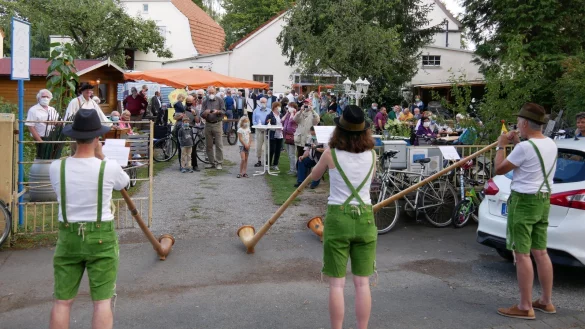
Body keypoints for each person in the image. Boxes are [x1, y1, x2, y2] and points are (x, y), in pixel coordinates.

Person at [48, 108, 130, 329]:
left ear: (73, 137)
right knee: (102, 301)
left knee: (62, 302)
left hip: (68, 236)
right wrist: (102, 156)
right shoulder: (108, 167)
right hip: (101, 235)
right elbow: (124, 183)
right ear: (97, 138)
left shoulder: (57, 168)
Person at [309, 105, 377, 329]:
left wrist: (309, 168)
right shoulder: (372, 155)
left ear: (340, 130)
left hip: (339, 219)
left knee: (337, 285)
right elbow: (368, 182)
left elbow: (315, 176)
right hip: (366, 219)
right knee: (362, 283)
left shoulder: (330, 154)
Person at [494, 103, 557, 320]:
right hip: (543, 201)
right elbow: (531, 159)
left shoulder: (525, 148)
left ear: (524, 123)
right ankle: (546, 302)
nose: (517, 125)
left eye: (519, 122)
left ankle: (525, 306)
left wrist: (501, 146)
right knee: (541, 252)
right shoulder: (550, 144)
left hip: (524, 202)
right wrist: (518, 142)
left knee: (521, 255)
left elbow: (499, 169)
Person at [26, 89, 60, 158]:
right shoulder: (33, 110)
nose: (46, 98)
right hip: (41, 137)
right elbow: (30, 126)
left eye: (47, 97)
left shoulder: (52, 109)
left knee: (52, 157)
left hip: (52, 137)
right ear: (38, 98)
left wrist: (53, 122)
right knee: (41, 157)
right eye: (43, 96)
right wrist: (40, 141)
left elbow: (60, 122)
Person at [201, 86, 226, 169]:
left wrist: (217, 111)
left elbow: (224, 111)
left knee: (219, 144)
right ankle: (211, 162)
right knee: (209, 144)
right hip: (208, 124)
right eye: (210, 93)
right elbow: (201, 114)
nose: (211, 94)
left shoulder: (220, 100)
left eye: (212, 92)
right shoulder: (205, 101)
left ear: (215, 92)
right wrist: (205, 113)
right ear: (207, 93)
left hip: (217, 123)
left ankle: (219, 162)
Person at [265, 101, 284, 171]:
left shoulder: (281, 115)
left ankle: (275, 164)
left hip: (280, 134)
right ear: (274, 107)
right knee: (271, 150)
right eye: (278, 107)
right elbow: (266, 124)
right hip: (272, 134)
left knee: (278, 150)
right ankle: (268, 164)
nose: (279, 108)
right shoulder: (270, 115)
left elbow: (283, 123)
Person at [252, 97, 270, 167]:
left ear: (266, 103)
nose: (263, 103)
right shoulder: (256, 111)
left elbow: (271, 120)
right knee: (258, 146)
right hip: (259, 131)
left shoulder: (269, 110)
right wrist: (259, 126)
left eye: (264, 102)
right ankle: (259, 160)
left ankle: (266, 160)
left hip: (267, 131)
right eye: (262, 102)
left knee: (267, 146)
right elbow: (253, 121)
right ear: (259, 102)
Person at [282, 102, 299, 175]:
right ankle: (292, 168)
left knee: (292, 154)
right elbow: (282, 120)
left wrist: (292, 113)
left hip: (292, 136)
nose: (289, 108)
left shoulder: (296, 115)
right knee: (289, 154)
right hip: (287, 135)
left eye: (290, 107)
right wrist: (286, 114)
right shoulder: (288, 114)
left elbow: (292, 121)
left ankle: (294, 169)